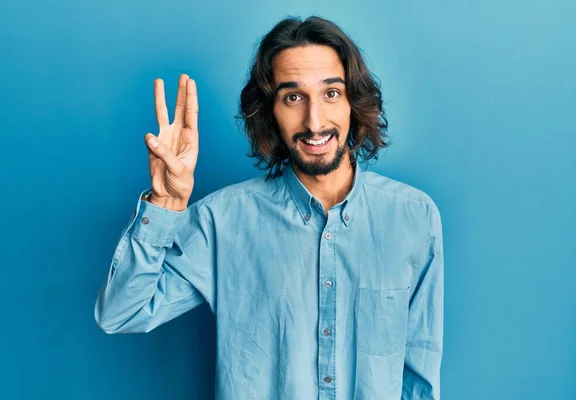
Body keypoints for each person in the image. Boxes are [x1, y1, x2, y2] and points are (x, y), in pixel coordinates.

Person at [94, 15, 444, 400]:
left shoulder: (414, 216)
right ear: (269, 112)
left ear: (352, 102)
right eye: (293, 97)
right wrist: (165, 203)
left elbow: (418, 375)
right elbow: (121, 314)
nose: (314, 122)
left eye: (331, 93)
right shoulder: (222, 221)